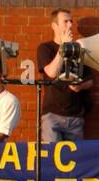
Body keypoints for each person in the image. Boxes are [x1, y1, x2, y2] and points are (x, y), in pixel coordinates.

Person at [36, 8, 94, 144]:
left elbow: (90, 81)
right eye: (65, 21)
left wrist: (80, 86)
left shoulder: (79, 49)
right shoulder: (45, 48)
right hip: (52, 115)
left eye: (71, 21)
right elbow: (51, 72)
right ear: (54, 26)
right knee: (51, 157)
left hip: (75, 116)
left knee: (75, 160)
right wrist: (63, 46)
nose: (70, 25)